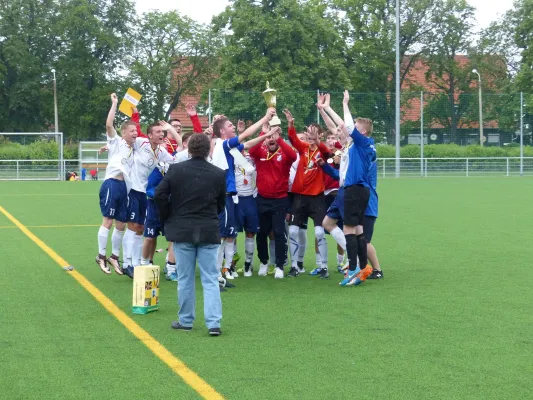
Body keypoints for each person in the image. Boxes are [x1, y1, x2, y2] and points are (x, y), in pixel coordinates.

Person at [154, 133, 226, 336]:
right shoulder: (218, 174)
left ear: (189, 149)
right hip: (208, 228)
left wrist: (168, 216)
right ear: (208, 150)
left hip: (182, 228)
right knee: (210, 278)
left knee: (185, 278)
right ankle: (213, 323)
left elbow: (159, 195)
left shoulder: (176, 170)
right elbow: (222, 203)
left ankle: (186, 321)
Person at [95, 93, 138, 275]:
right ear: (124, 133)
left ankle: (114, 256)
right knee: (108, 221)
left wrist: (136, 113)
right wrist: (114, 104)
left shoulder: (133, 147)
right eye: (132, 131)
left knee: (121, 224)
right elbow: (109, 125)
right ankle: (101, 256)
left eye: (136, 131)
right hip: (112, 184)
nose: (135, 133)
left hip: (124, 187)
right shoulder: (117, 141)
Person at [286, 110, 332, 278]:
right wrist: (291, 124)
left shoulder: (323, 150)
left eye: (314, 132)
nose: (310, 135)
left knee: (320, 233)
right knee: (292, 232)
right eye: (309, 132)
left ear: (319, 135)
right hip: (299, 198)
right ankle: (294, 266)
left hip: (317, 198)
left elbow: (328, 153)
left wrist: (318, 141)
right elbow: (292, 139)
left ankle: (324, 267)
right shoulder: (303, 148)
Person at [248, 118, 296, 278]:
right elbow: (251, 150)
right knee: (261, 233)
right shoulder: (260, 152)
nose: (271, 140)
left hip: (280, 199)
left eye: (274, 136)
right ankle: (263, 262)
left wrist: (279, 138)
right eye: (269, 137)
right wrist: (263, 133)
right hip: (262, 199)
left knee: (279, 232)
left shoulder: (285, 154)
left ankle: (280, 265)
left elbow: (293, 156)